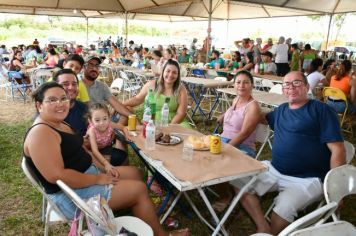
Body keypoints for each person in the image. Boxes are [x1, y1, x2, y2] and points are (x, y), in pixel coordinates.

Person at [23, 82, 188, 236]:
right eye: (52, 100)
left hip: (85, 177)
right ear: (39, 105)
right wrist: (98, 178)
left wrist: (105, 166)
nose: (60, 103)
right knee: (139, 189)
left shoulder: (59, 123)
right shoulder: (41, 134)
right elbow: (58, 176)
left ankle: (141, 215)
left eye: (63, 98)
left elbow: (82, 152)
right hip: (73, 196)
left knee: (135, 172)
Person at [233, 71, 345, 235]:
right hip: (274, 169)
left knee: (284, 208)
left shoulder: (321, 110)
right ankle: (262, 226)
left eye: (296, 83)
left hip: (308, 179)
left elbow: (338, 150)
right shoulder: (282, 110)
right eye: (286, 84)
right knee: (237, 179)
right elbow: (264, 117)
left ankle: (272, 233)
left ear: (307, 86)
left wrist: (337, 189)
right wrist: (240, 110)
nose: (290, 87)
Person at [212, 70, 261, 212]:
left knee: (219, 162)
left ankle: (225, 196)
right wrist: (223, 115)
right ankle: (218, 186)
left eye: (246, 82)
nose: (241, 85)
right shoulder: (236, 100)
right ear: (234, 84)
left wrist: (226, 148)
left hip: (243, 146)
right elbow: (235, 113)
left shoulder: (253, 106)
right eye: (238, 82)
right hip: (224, 140)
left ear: (252, 85)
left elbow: (244, 133)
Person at [123, 59, 190, 128]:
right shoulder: (152, 84)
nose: (170, 75)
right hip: (150, 120)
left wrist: (169, 128)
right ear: (163, 71)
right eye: (168, 71)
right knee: (126, 109)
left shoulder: (181, 89)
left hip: (173, 123)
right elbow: (138, 99)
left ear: (178, 75)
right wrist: (121, 104)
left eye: (174, 72)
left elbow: (181, 114)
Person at [81, 56, 134, 124]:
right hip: (91, 122)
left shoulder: (102, 86)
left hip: (105, 118)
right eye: (90, 65)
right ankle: (113, 131)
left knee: (129, 110)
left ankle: (113, 131)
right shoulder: (77, 85)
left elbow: (115, 104)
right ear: (83, 67)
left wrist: (134, 117)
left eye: (97, 66)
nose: (94, 68)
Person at [86, 103, 130, 173]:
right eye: (97, 120)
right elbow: (95, 150)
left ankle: (120, 174)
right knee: (105, 167)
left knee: (109, 166)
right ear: (90, 121)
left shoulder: (110, 123)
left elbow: (123, 128)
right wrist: (106, 164)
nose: (102, 123)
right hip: (92, 151)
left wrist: (127, 135)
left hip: (107, 147)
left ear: (109, 117)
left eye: (105, 119)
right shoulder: (92, 130)